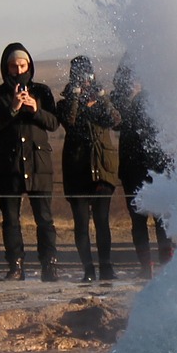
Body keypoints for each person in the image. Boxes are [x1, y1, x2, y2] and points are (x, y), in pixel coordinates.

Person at [0, 44, 61, 282]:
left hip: (39, 165)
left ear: (29, 65)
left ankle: (49, 265)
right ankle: (15, 266)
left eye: (22, 65)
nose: (18, 69)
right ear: (5, 67)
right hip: (9, 166)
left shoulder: (42, 91)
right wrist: (13, 108)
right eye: (13, 65)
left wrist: (35, 109)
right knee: (10, 219)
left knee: (44, 219)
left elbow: (54, 123)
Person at [59, 56, 122, 282]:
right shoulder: (65, 102)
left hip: (102, 168)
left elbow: (115, 120)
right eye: (79, 75)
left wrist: (102, 97)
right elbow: (70, 120)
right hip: (77, 170)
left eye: (87, 74)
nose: (84, 80)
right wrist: (75, 95)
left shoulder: (101, 101)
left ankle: (106, 265)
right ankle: (88, 268)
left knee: (102, 220)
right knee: (81, 222)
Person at [111, 64, 174, 279]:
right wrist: (128, 97)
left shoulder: (158, 96)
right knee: (138, 220)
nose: (135, 81)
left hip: (157, 166)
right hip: (131, 168)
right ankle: (146, 266)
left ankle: (167, 264)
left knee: (161, 219)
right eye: (131, 76)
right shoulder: (119, 100)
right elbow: (116, 122)